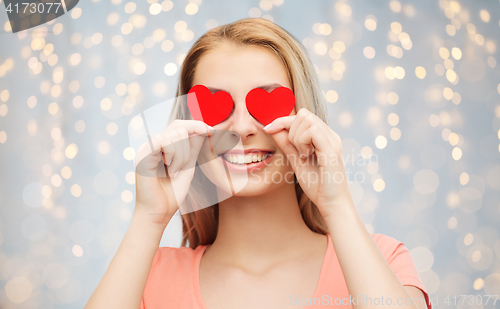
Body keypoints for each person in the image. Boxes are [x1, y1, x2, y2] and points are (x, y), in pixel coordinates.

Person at [84, 18, 432, 309]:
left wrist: (336, 205)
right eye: (216, 106)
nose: (242, 128)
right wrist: (148, 218)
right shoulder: (148, 276)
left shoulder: (383, 261)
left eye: (267, 103)